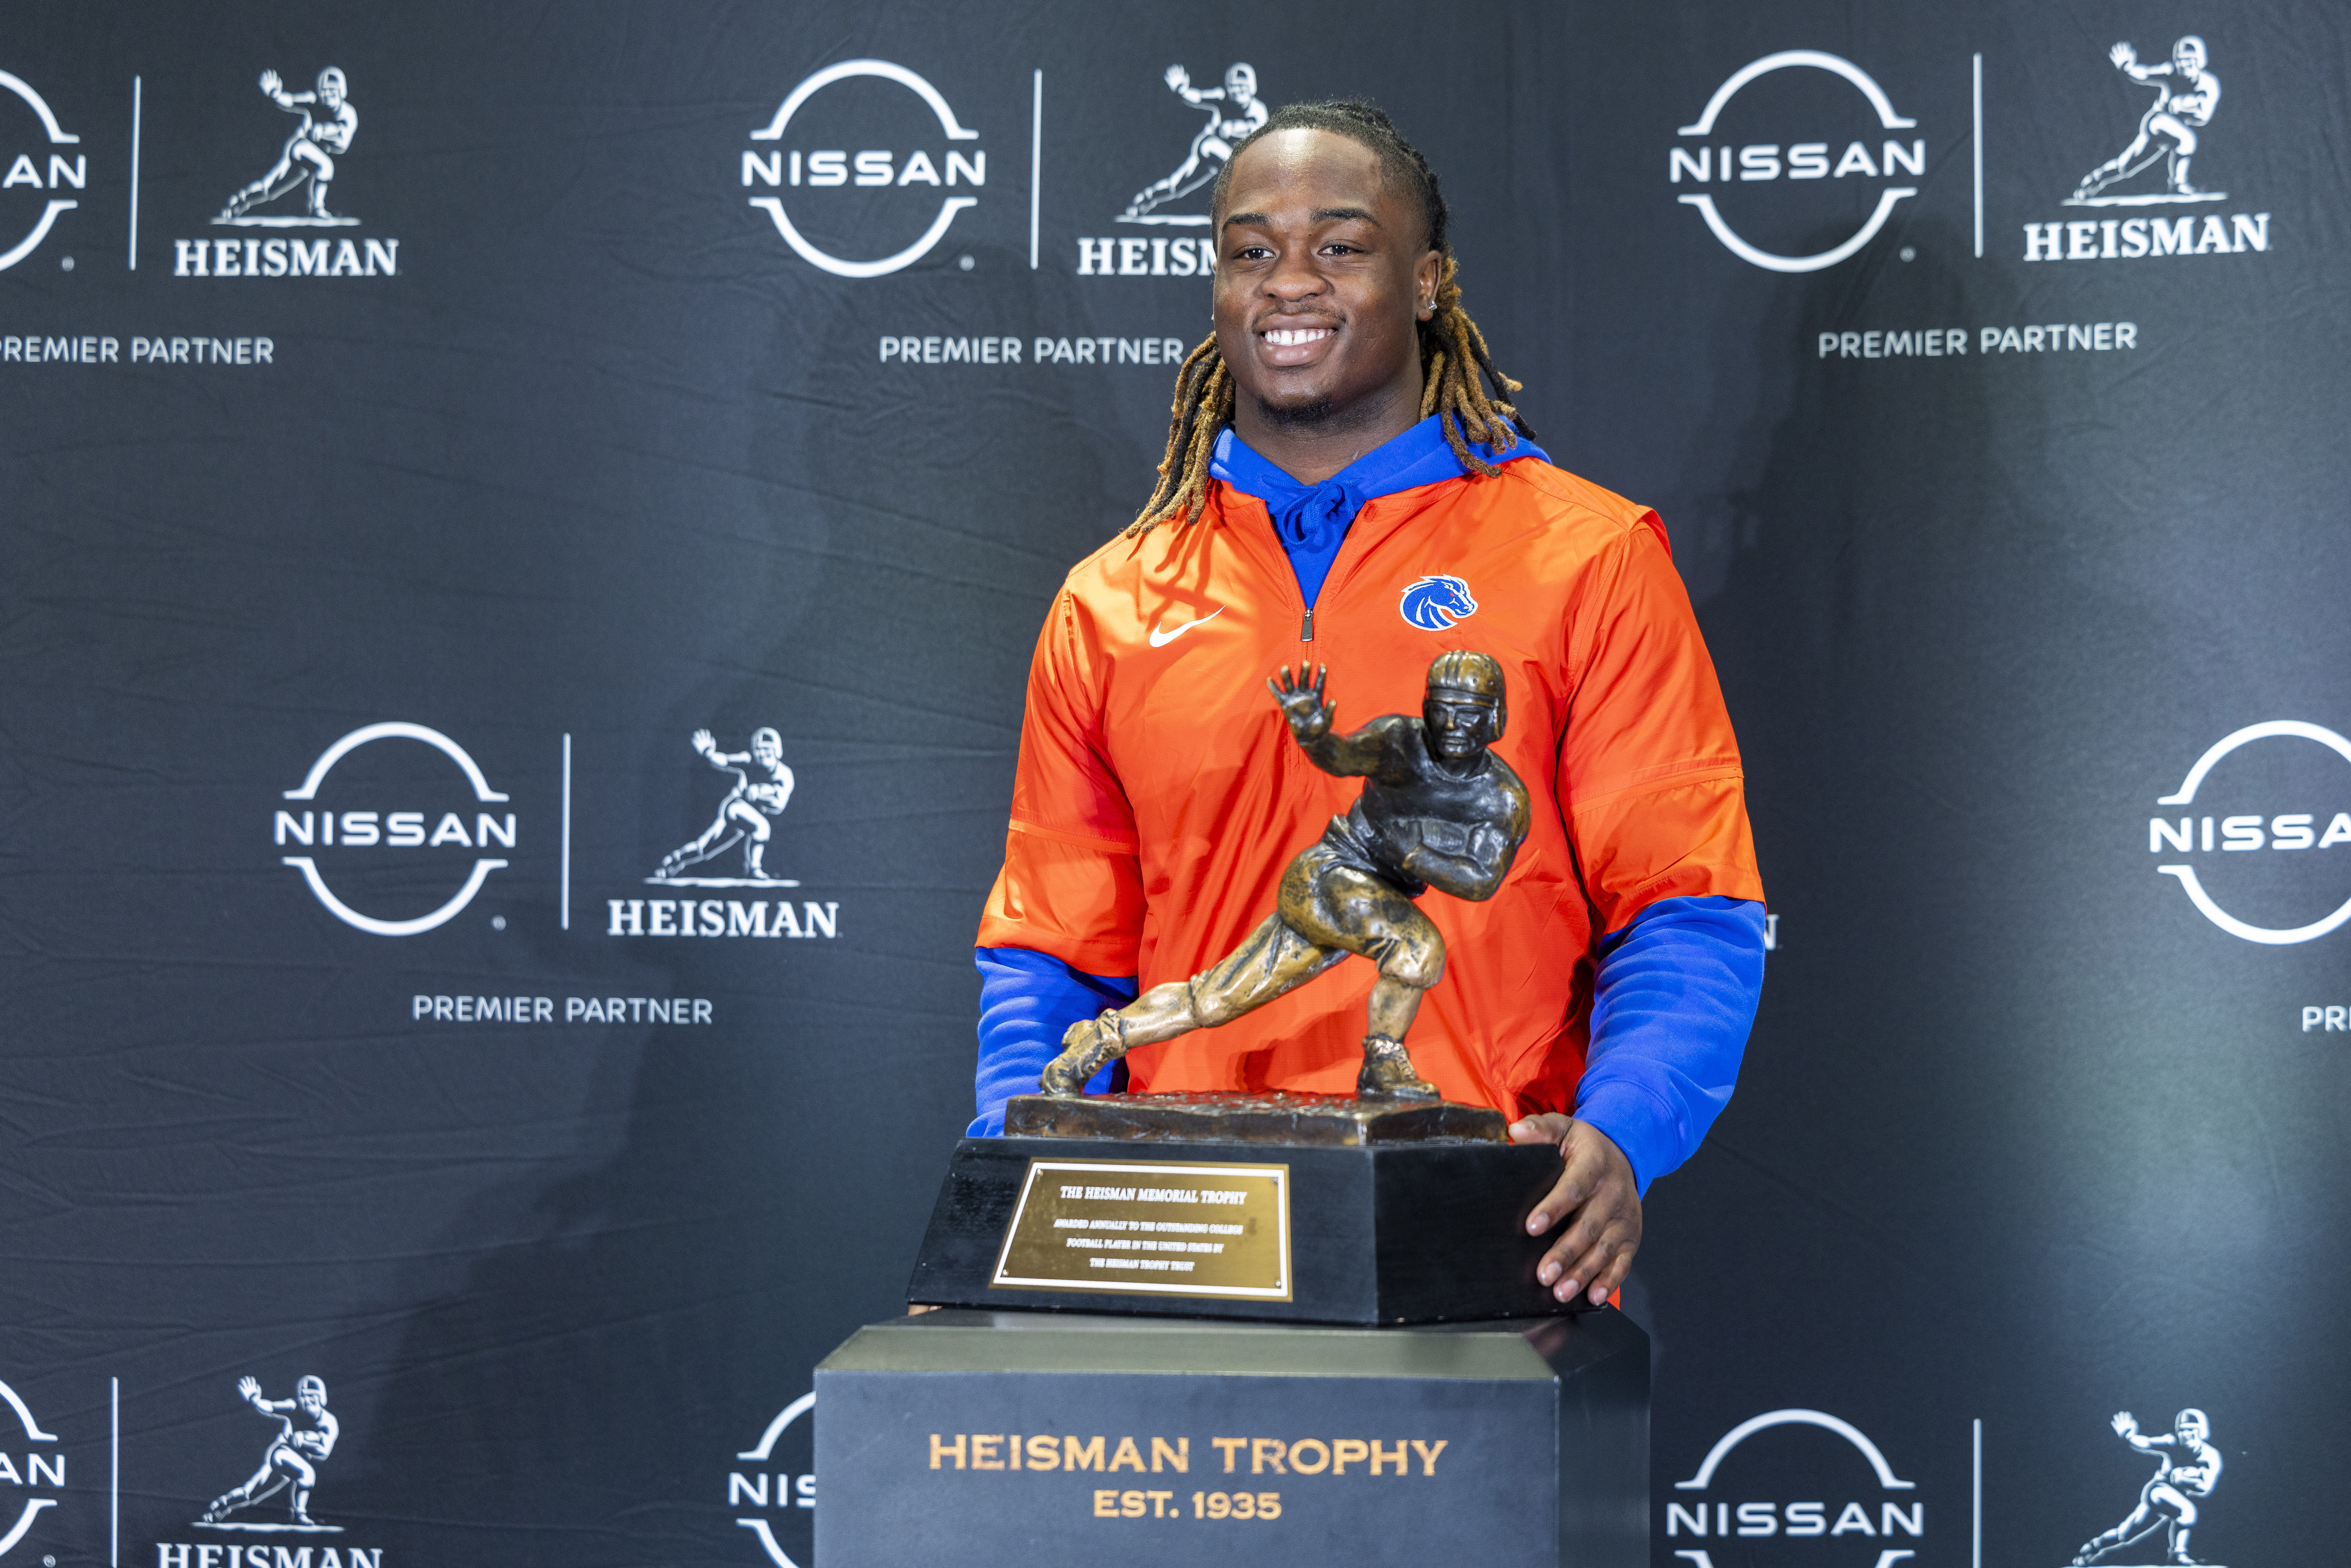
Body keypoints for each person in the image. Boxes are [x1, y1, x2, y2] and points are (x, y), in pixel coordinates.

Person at [975, 100, 1766, 1308]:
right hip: (1175, 1243)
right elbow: (1052, 942)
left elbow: (1685, 902)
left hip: (1481, 1228)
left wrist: (1623, 1128)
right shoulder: (1112, 599)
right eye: (1251, 250)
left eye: (1339, 245)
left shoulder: (1587, 558)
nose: (1289, 280)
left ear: (1428, 280)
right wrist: (1010, 1179)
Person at [1045, 653, 1531, 1100]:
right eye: (1442, 710)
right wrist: (1317, 737)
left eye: (1468, 713)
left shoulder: (1501, 798)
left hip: (1367, 899)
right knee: (1417, 949)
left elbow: (1481, 880)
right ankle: (1383, 1064)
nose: (1452, 725)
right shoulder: (1401, 741)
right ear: (1426, 708)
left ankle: (1099, 1040)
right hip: (1328, 877)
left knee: (1214, 1001)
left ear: (1495, 717)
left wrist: (1413, 853)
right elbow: (1344, 757)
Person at [2072, 38, 2220, 201]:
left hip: (2175, 129)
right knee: (2188, 140)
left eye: (2189, 59)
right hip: (2158, 122)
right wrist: (2127, 67)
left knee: (2126, 166)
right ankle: (2178, 184)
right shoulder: (2171, 72)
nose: (2184, 65)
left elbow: (2204, 117)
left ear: (2201, 60)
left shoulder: (2209, 84)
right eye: (2180, 60)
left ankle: (2095, 179)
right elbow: (2146, 73)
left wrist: (2187, 105)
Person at [2072, 1409, 2222, 1567]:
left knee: (2125, 1534)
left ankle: (2093, 1547)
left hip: (2173, 1500)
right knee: (2188, 1512)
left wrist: (2185, 1479)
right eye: (2182, 1430)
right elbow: (2148, 1443)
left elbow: (2206, 1487)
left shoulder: (2211, 1457)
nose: (2186, 1434)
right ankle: (2178, 1554)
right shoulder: (2173, 1443)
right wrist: (2129, 1436)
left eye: (2191, 1430)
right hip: (2158, 1491)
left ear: (2202, 1431)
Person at [1121, 64, 1268, 222]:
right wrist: (1181, 90)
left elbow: (1254, 127)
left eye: (1242, 86)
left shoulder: (1258, 110)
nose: (1237, 90)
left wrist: (1233, 126)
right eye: (1233, 86)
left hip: (1238, 162)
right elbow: (1199, 97)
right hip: (1212, 151)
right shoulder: (1223, 97)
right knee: (1177, 185)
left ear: (1252, 87)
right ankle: (1146, 199)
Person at [197, 1375, 339, 1527]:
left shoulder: (328, 1423)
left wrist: (303, 1442)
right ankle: (300, 1514)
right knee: (308, 1474)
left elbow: (324, 1451)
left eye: (312, 1396)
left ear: (322, 1398)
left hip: (291, 1463)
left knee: (250, 1494)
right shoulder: (294, 1407)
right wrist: (255, 1400)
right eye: (304, 1396)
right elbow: (271, 1407)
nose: (307, 1401)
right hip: (281, 1455)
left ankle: (221, 1505)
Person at [220, 69, 358, 222]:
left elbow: (342, 136)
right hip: (300, 148)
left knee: (270, 189)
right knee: (326, 167)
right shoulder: (314, 100)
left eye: (332, 90)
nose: (328, 94)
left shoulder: (348, 114)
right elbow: (292, 100)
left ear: (342, 90)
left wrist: (324, 130)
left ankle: (240, 200)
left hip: (311, 158)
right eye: (324, 90)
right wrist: (275, 94)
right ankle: (317, 208)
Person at [656, 728, 793, 881]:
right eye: (759, 749)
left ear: (777, 750)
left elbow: (779, 805)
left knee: (705, 849)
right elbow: (725, 760)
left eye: (767, 749)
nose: (762, 754)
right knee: (762, 828)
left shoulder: (784, 775)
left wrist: (761, 793)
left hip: (747, 816)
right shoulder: (749, 760)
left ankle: (675, 860)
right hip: (735, 808)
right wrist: (709, 753)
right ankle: (754, 868)